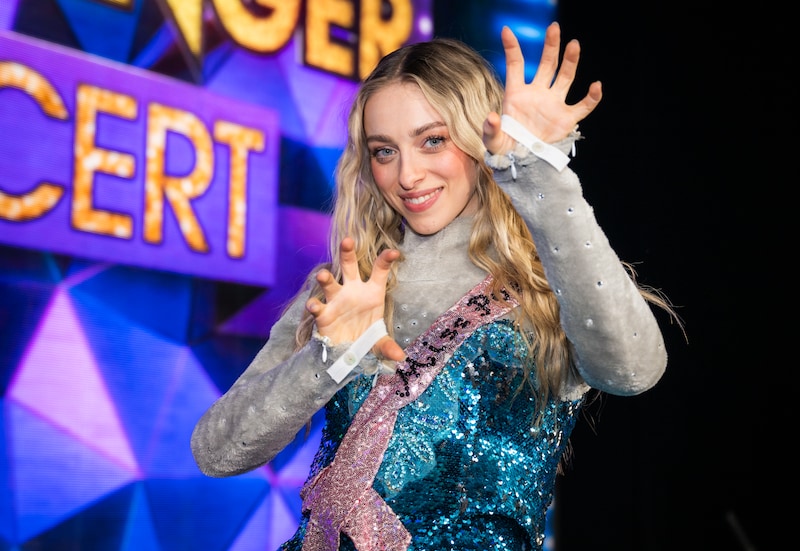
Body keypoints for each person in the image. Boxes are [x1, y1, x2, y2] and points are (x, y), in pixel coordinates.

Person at [191, 21, 676, 551]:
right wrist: (329, 358)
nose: (408, 175)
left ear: (480, 137)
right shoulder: (351, 285)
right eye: (384, 151)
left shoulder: (548, 281)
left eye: (433, 141)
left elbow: (634, 370)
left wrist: (539, 172)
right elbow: (215, 452)